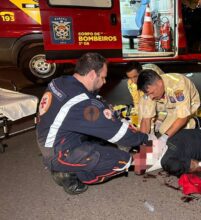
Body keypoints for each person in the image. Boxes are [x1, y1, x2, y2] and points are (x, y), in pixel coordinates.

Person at [36, 53, 150, 195]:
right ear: (91, 74)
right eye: (102, 77)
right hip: (59, 153)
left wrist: (112, 115)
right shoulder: (82, 103)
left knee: (104, 142)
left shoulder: (61, 81)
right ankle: (71, 174)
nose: (105, 82)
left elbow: (95, 103)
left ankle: (68, 166)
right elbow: (118, 133)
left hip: (52, 141)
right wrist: (145, 139)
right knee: (121, 159)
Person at [137, 68, 201, 145]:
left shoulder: (179, 85)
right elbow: (146, 119)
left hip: (188, 106)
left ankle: (194, 122)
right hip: (168, 105)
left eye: (152, 93)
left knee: (164, 130)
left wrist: (164, 138)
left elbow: (182, 117)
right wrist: (143, 142)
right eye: (148, 94)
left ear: (160, 83)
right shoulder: (152, 90)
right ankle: (158, 123)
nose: (151, 97)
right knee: (143, 102)